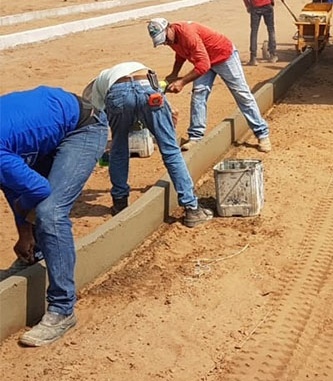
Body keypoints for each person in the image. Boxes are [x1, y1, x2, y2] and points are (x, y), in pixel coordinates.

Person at [0, 86, 108, 346]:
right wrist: (25, 233)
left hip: (83, 126)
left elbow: (38, 189)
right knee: (26, 191)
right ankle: (34, 253)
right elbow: (11, 185)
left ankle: (62, 309)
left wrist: (26, 214)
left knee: (51, 212)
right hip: (46, 129)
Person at [84, 62, 213, 227]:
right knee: (171, 151)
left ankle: (120, 204)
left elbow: (99, 120)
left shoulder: (100, 86)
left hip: (118, 94)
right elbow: (154, 89)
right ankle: (192, 208)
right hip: (148, 87)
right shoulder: (126, 68)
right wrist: (168, 111)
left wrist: (102, 150)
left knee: (118, 150)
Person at [146, 18, 272, 153]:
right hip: (203, 60)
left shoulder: (188, 34)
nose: (166, 43)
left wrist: (182, 82)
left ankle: (262, 134)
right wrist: (174, 73)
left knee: (242, 94)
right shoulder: (171, 38)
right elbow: (181, 54)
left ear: (168, 28)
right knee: (198, 95)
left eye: (165, 39)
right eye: (163, 42)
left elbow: (203, 65)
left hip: (223, 57)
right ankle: (195, 137)